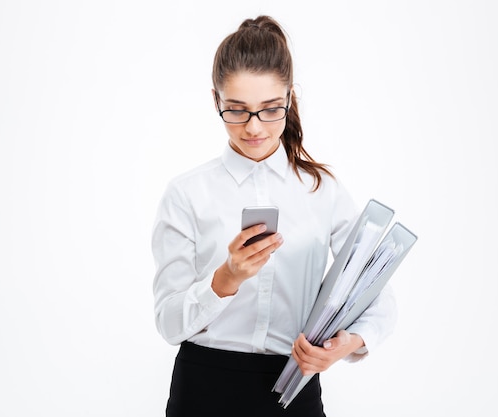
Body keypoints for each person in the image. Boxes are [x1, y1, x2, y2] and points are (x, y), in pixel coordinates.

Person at [151, 15, 396, 417]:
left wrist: (346, 345)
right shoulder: (186, 194)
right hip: (203, 388)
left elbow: (377, 292)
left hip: (294, 389)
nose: (253, 127)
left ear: (289, 98)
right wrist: (225, 279)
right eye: (236, 110)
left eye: (269, 110)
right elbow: (168, 323)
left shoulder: (322, 191)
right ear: (216, 100)